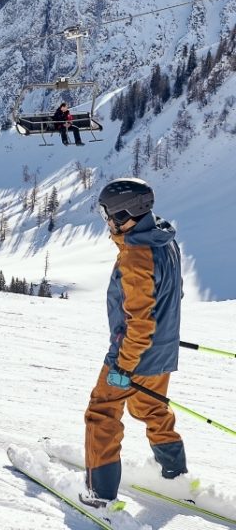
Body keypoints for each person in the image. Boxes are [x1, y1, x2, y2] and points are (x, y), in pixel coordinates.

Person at [81, 178, 187, 508]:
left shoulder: (136, 257)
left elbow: (140, 324)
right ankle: (174, 475)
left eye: (109, 215)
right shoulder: (165, 241)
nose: (108, 222)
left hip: (134, 354)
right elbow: (173, 294)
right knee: (150, 407)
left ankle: (100, 495)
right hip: (163, 350)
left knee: (102, 412)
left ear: (127, 213)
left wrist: (123, 366)